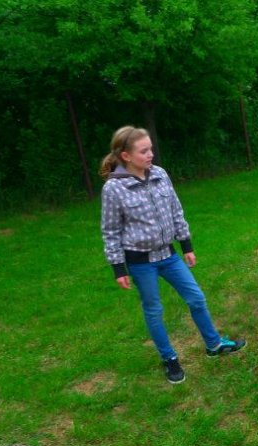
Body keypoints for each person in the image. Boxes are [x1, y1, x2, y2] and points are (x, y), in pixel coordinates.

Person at [99, 126, 245, 385]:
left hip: (168, 256)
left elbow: (176, 211)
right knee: (154, 310)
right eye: (143, 151)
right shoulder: (114, 189)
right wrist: (118, 268)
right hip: (140, 262)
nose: (150, 155)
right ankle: (169, 358)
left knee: (196, 298)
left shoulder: (160, 174)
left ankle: (213, 344)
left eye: (151, 149)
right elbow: (111, 231)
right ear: (126, 156)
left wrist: (186, 245)